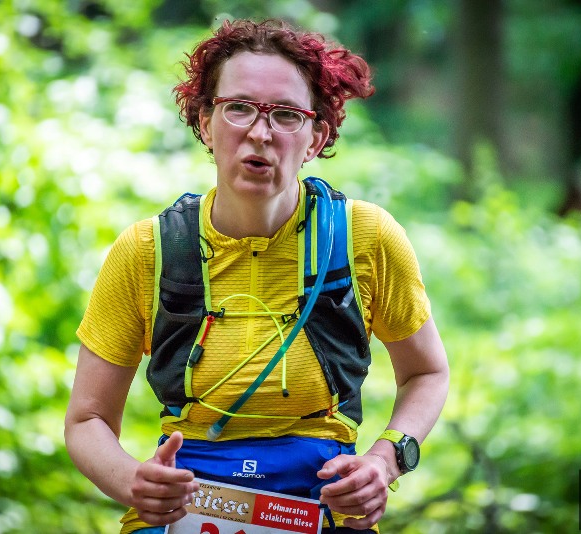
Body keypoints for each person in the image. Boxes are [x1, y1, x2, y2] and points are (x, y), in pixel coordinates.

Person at [65, 18, 449, 534]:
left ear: (315, 138)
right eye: (239, 108)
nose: (260, 133)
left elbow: (427, 373)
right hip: (182, 508)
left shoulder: (365, 238)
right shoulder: (147, 251)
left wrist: (385, 460)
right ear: (206, 123)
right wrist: (134, 482)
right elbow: (86, 419)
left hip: (324, 506)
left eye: (286, 115)